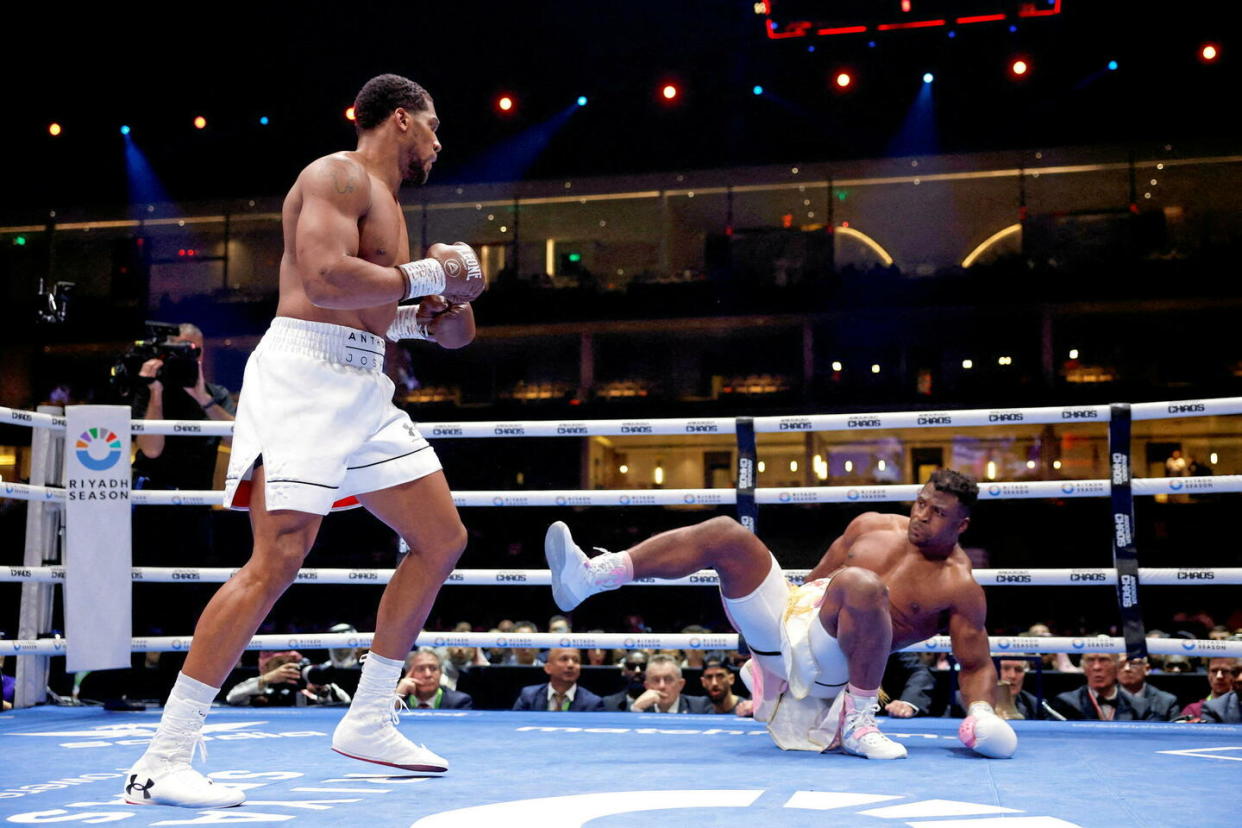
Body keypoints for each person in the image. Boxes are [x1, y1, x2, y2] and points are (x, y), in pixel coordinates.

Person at [122, 73, 486, 810]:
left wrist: (455, 300)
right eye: (435, 125)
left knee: (441, 538)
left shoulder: (393, 212)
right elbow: (323, 282)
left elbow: (429, 329)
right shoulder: (337, 176)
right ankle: (164, 757)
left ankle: (370, 716)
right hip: (305, 374)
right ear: (403, 120)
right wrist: (426, 274)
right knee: (280, 555)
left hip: (362, 386)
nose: (441, 143)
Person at [546, 468, 1016, 760]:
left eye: (937, 512)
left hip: (836, 670)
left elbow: (974, 664)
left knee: (861, 585)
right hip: (793, 625)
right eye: (920, 503)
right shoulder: (870, 525)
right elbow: (811, 585)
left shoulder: (960, 586)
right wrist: (756, 614)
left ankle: (859, 723)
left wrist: (980, 712)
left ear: (962, 523)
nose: (921, 516)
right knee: (726, 533)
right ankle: (592, 575)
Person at [1052, 651, 1151, 721]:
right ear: (1083, 668)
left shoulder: (1139, 707)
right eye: (1090, 660)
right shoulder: (1066, 703)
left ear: (1117, 666)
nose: (1097, 667)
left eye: (1104, 660)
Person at [512, 647, 604, 711]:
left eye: (576, 660)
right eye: (564, 659)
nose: (570, 665)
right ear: (548, 668)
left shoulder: (592, 703)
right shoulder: (529, 697)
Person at [627, 654, 713, 713]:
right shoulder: (638, 709)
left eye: (668, 679)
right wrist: (636, 710)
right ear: (647, 686)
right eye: (656, 680)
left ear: (681, 684)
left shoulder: (701, 707)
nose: (662, 686)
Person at [397, 649, 472, 709]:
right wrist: (398, 694)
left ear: (441, 672)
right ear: (408, 673)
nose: (428, 674)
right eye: (421, 669)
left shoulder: (459, 702)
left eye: (433, 668)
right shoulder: (399, 700)